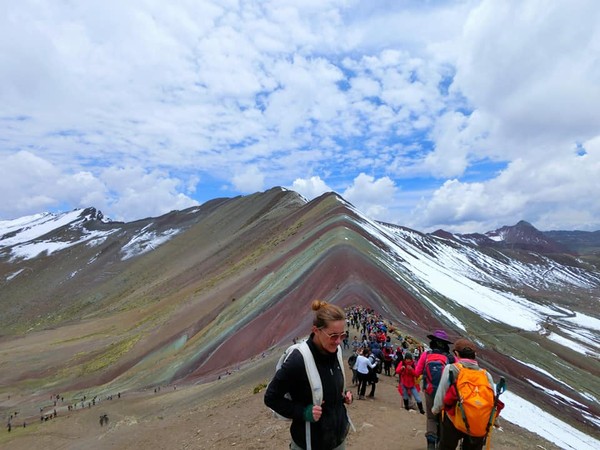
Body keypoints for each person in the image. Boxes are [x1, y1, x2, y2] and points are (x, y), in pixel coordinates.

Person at [264, 300, 352, 450]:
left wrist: (342, 396)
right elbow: (271, 397)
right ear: (316, 330)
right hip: (309, 443)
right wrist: (303, 412)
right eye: (333, 336)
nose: (338, 342)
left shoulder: (335, 351)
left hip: (337, 439)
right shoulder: (298, 360)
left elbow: (326, 386)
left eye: (342, 335)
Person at [432, 338, 497, 450]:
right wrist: (494, 420)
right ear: (475, 354)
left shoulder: (452, 369)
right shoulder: (486, 375)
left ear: (456, 353)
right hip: (478, 419)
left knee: (446, 446)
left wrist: (435, 409)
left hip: (453, 418)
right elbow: (492, 400)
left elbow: (442, 393)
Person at [415, 329, 454, 450]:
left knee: (431, 418)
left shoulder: (426, 355)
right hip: (446, 393)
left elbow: (417, 372)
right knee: (443, 419)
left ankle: (431, 444)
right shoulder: (450, 358)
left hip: (430, 390)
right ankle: (441, 443)